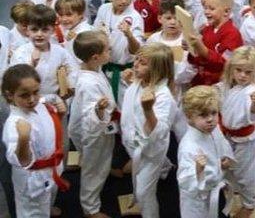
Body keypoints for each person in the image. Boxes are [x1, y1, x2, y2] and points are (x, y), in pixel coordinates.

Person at [2, 64, 68, 217]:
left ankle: (47, 208)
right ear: (10, 95)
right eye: (24, 95)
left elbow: (47, 131)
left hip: (50, 169)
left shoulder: (41, 105)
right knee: (32, 212)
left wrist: (59, 115)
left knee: (46, 200)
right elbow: (23, 162)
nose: (32, 99)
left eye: (36, 92)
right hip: (32, 179)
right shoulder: (15, 124)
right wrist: (23, 138)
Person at [120, 43, 177, 218]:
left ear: (157, 70)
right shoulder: (141, 81)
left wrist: (148, 110)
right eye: (136, 59)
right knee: (140, 178)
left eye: (143, 63)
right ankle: (165, 167)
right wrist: (131, 80)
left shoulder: (163, 97)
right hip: (133, 142)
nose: (135, 64)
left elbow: (159, 131)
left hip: (150, 150)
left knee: (145, 193)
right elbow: (134, 100)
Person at [68, 31, 116, 218]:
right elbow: (90, 115)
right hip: (95, 132)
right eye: (108, 50)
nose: (110, 51)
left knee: (96, 161)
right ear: (96, 57)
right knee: (93, 169)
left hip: (86, 128)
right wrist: (99, 109)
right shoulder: (89, 83)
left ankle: (102, 166)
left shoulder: (91, 69)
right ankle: (90, 208)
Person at [216, 46, 255, 217]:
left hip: (245, 139)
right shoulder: (227, 85)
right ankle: (232, 189)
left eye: (248, 72)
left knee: (245, 172)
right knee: (227, 167)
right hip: (227, 135)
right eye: (239, 70)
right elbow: (220, 95)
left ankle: (249, 204)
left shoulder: (252, 91)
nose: (243, 75)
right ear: (231, 69)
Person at [178, 85, 234, 218]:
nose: (210, 119)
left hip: (216, 191)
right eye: (203, 115)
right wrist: (198, 171)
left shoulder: (213, 129)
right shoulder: (188, 146)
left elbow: (222, 145)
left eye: (214, 113)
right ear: (189, 117)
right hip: (198, 202)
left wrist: (224, 159)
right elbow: (185, 181)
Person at [93, 0, 144, 106]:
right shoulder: (104, 9)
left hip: (124, 73)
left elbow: (136, 51)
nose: (124, 1)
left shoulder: (135, 17)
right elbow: (95, 35)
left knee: (124, 111)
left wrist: (129, 35)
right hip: (104, 69)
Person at [10, 4, 77, 97]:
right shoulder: (20, 53)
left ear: (53, 30)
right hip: (31, 103)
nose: (39, 34)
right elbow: (16, 82)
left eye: (45, 30)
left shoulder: (60, 52)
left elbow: (73, 71)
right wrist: (32, 64)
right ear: (27, 30)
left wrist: (69, 88)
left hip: (57, 102)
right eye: (34, 30)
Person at [188, 0, 243, 86]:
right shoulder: (206, 29)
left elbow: (225, 63)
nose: (206, 12)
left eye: (212, 9)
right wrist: (191, 48)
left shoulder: (232, 34)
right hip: (201, 81)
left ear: (226, 11)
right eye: (205, 8)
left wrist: (203, 49)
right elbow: (198, 60)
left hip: (220, 85)